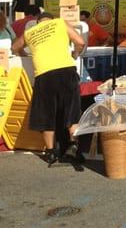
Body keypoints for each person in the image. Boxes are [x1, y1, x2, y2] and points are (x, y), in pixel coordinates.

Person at [12, 13, 86, 167]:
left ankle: (51, 152)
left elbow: (14, 47)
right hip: (66, 70)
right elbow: (80, 42)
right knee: (71, 111)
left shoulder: (30, 32)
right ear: (51, 20)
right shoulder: (60, 23)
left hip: (44, 75)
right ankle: (73, 146)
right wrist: (75, 53)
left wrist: (24, 54)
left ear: (38, 23)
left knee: (46, 114)